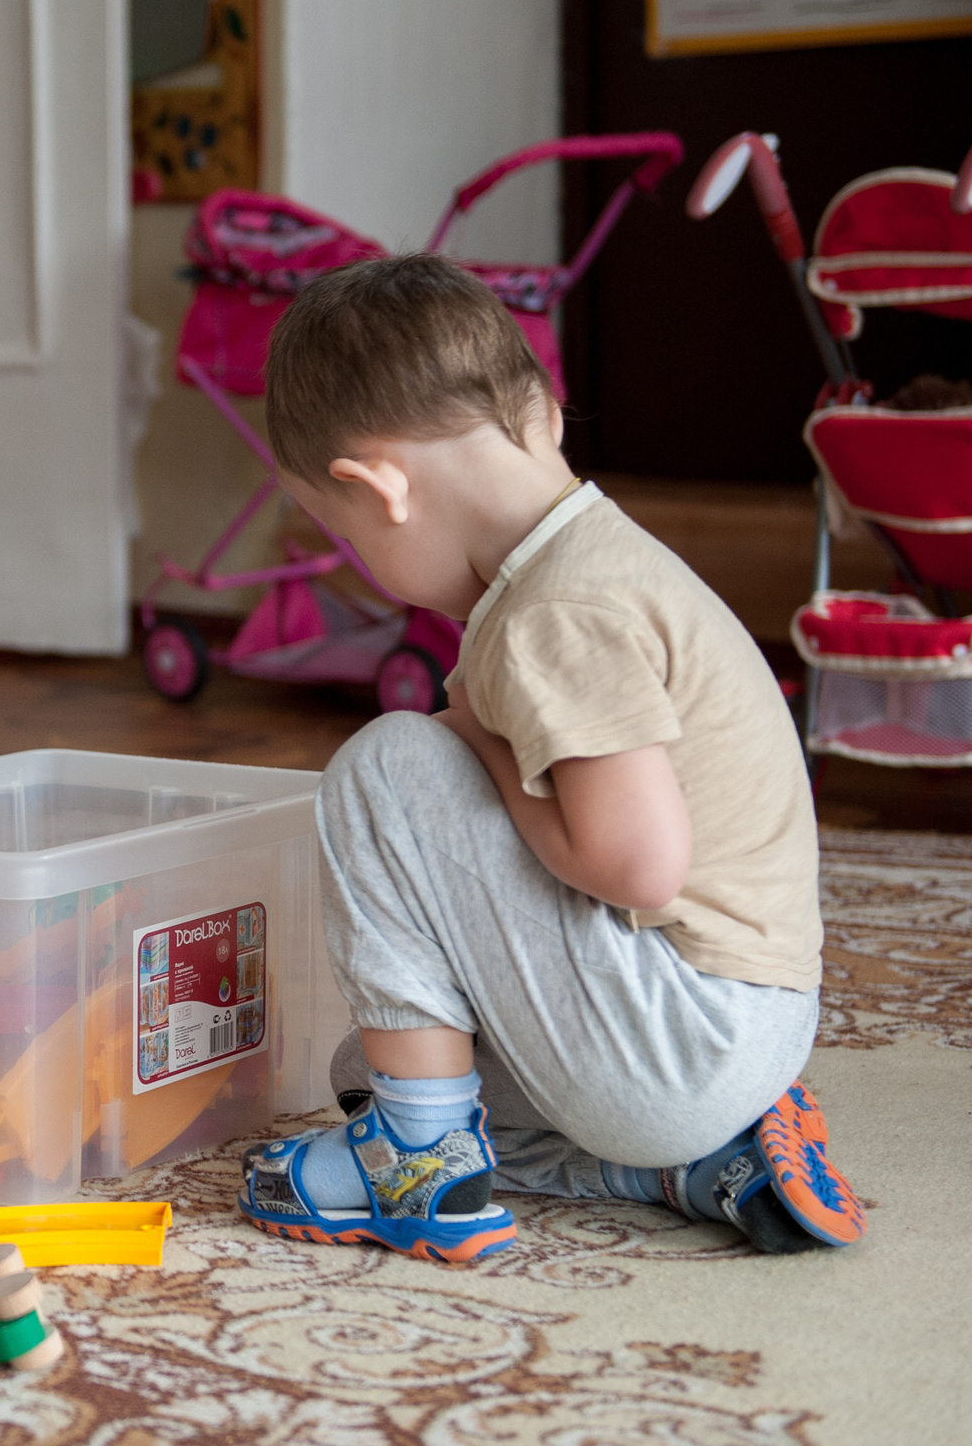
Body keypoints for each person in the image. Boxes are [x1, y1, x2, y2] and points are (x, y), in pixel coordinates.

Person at [235, 255, 867, 1264]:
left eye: (342, 534)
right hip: (734, 1036)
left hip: (681, 1039)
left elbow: (637, 864)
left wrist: (481, 752)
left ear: (376, 488)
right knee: (375, 1064)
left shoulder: (554, 614)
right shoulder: (588, 563)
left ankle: (418, 1164)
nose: (362, 564)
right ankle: (689, 1168)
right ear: (542, 415)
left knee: (386, 763)